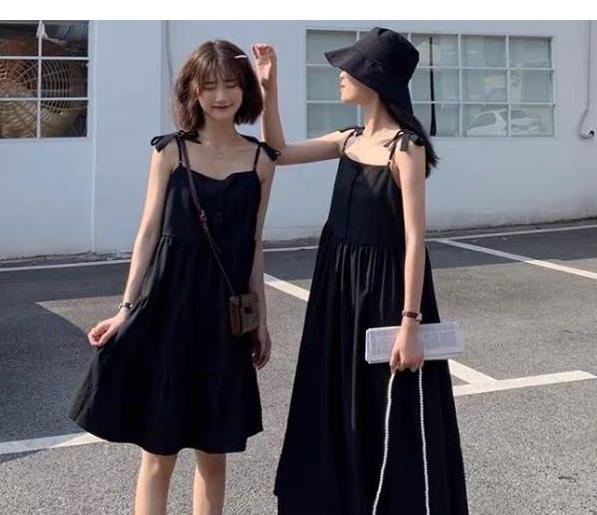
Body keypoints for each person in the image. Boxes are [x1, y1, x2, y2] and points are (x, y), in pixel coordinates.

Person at [253, 27, 469, 514]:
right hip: (337, 288)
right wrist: (269, 88)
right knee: (335, 396)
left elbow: (414, 240)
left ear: (374, 78)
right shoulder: (347, 139)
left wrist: (410, 323)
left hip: (385, 292)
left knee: (386, 406)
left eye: (349, 69)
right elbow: (279, 152)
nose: (341, 77)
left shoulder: (405, 147)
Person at [68, 39, 279, 515]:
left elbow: (254, 244)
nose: (221, 95)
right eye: (209, 85)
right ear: (192, 91)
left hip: (222, 319)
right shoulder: (170, 152)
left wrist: (260, 320)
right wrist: (126, 309)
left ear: (245, 89)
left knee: (214, 451)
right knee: (158, 453)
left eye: (231, 84)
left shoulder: (262, 161)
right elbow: (147, 233)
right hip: (167, 308)